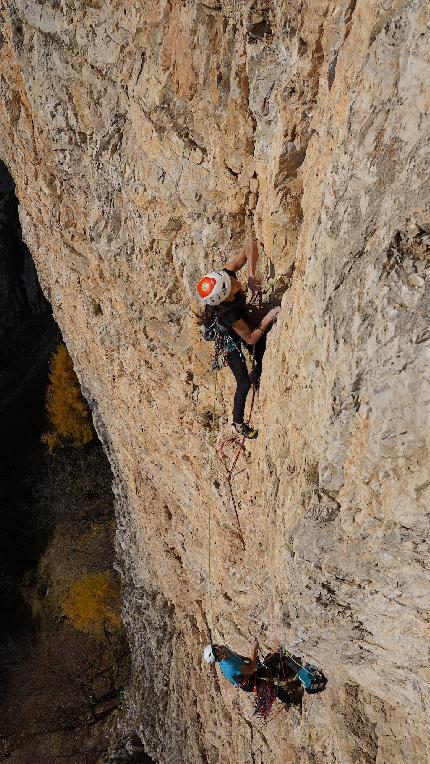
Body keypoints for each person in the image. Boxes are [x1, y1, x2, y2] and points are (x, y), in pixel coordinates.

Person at [196, 240, 281, 439]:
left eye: (232, 280)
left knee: (260, 356)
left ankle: (258, 372)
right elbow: (249, 338)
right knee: (243, 382)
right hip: (229, 340)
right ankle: (238, 423)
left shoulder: (224, 278)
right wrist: (269, 318)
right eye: (233, 288)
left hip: (240, 326)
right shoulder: (229, 315)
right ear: (226, 298)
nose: (236, 283)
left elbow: (249, 244)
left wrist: (251, 274)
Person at [203, 641, 303, 711]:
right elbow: (251, 669)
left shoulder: (223, 649)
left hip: (245, 670)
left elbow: (236, 656)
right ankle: (292, 701)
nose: (217, 647)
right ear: (218, 657)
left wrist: (248, 659)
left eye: (214, 646)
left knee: (267, 671)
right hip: (248, 683)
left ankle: (286, 674)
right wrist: (254, 651)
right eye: (215, 650)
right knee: (275, 689)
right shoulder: (230, 667)